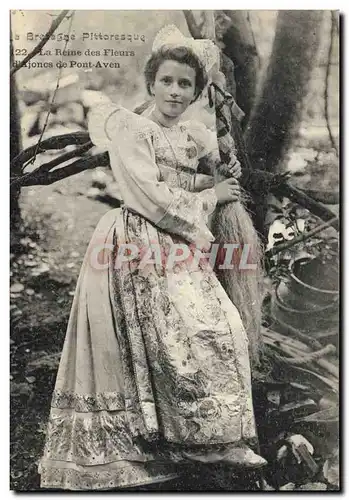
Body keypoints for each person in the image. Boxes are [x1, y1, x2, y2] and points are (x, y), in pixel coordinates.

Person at [38, 25, 266, 491]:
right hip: (137, 242)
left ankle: (211, 436)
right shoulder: (131, 127)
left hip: (177, 244)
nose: (176, 91)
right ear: (152, 83)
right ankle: (147, 442)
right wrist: (209, 198)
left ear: (197, 91)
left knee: (220, 326)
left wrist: (216, 183)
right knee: (156, 336)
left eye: (186, 84)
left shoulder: (189, 136)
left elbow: (178, 184)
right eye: (168, 81)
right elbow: (151, 198)